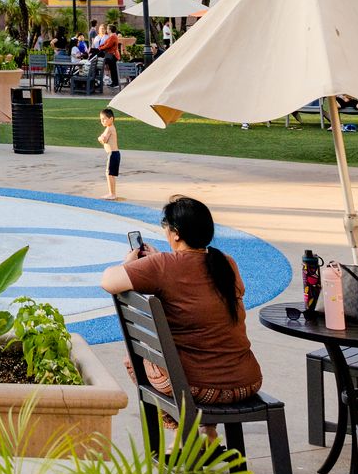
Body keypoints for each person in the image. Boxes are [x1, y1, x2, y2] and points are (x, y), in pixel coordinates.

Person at [100, 196, 262, 427]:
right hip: (248, 382)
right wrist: (159, 260)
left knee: (133, 360)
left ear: (175, 233)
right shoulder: (226, 262)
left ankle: (181, 433)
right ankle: (209, 433)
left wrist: (130, 263)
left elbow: (108, 280)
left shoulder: (163, 266)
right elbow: (189, 272)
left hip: (197, 389)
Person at [98, 107, 121, 200]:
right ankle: (112, 193)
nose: (102, 121)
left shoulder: (109, 128)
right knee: (110, 174)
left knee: (109, 174)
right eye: (101, 119)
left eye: (104, 119)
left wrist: (99, 138)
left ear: (111, 119)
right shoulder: (110, 128)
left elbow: (104, 140)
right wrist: (101, 137)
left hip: (113, 154)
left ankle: (112, 193)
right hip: (114, 154)